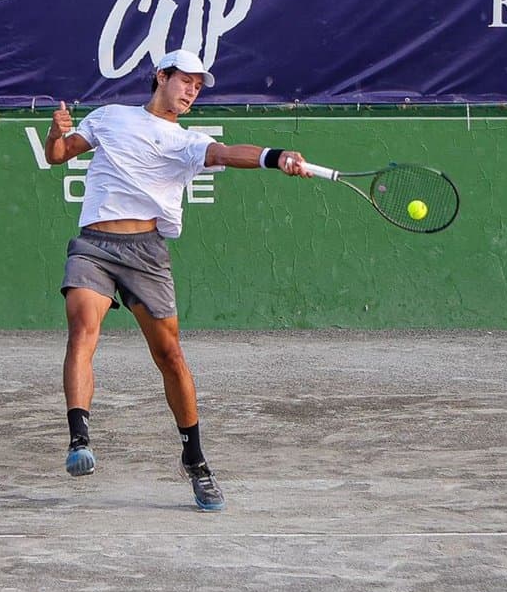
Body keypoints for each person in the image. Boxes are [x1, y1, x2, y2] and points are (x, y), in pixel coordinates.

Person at [44, 48, 310, 511]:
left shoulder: (188, 142)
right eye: (185, 80)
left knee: (169, 356)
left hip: (146, 253)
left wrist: (276, 156)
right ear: (161, 77)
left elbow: (227, 152)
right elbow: (58, 156)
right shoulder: (109, 117)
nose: (191, 91)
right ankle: (79, 439)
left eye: (198, 86)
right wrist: (57, 132)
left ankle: (196, 462)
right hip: (93, 246)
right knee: (82, 330)